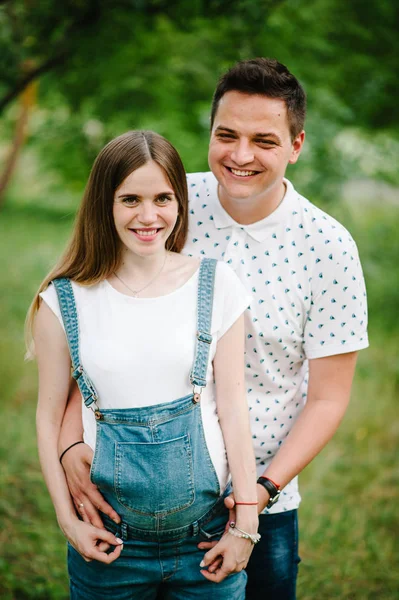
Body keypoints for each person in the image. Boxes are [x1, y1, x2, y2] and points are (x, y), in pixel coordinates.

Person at [58, 59, 369, 599]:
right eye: (227, 135)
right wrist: (67, 449)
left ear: (296, 145)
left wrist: (259, 494)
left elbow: (328, 399)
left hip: (259, 504)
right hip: (137, 492)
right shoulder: (164, 207)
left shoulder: (329, 247)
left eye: (263, 140)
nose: (241, 155)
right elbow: (91, 332)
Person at [27, 130, 261, 599]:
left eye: (162, 198)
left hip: (207, 538)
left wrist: (247, 524)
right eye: (130, 199)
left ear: (179, 201)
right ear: (104, 203)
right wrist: (67, 520)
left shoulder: (217, 285)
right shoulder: (64, 300)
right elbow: (48, 415)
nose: (148, 216)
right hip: (112, 543)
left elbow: (234, 408)